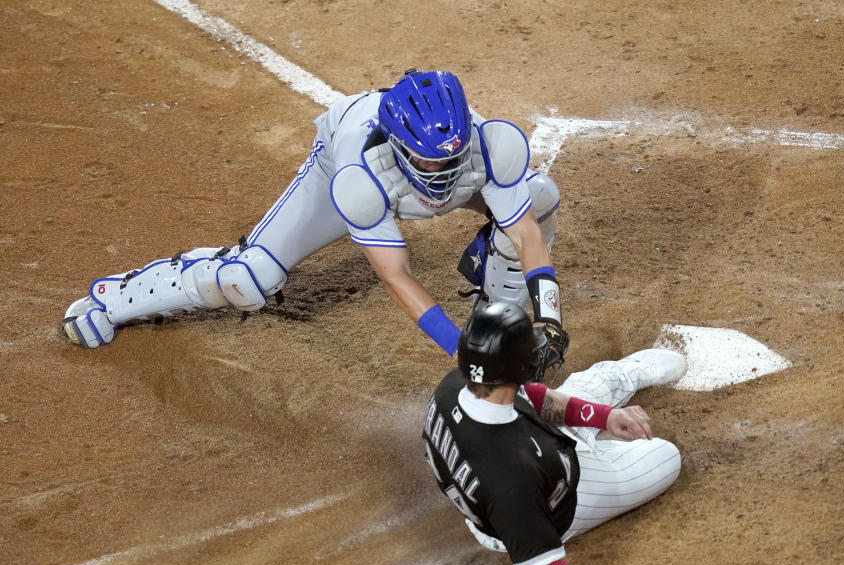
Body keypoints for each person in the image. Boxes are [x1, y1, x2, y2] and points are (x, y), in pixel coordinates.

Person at [62, 69, 568, 360]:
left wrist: (551, 319)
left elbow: (524, 231)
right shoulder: (359, 179)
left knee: (538, 198)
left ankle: (503, 314)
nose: (441, 169)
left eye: (450, 158)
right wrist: (457, 349)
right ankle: (121, 296)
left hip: (433, 174)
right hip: (336, 167)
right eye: (428, 159)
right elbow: (396, 276)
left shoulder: (490, 146)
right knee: (247, 279)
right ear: (399, 145)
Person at [422, 302, 703, 565]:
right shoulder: (510, 480)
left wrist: (604, 417)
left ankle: (612, 402)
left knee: (592, 391)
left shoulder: (457, 384)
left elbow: (531, 398)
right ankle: (600, 444)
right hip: (552, 505)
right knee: (664, 456)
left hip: (522, 463)